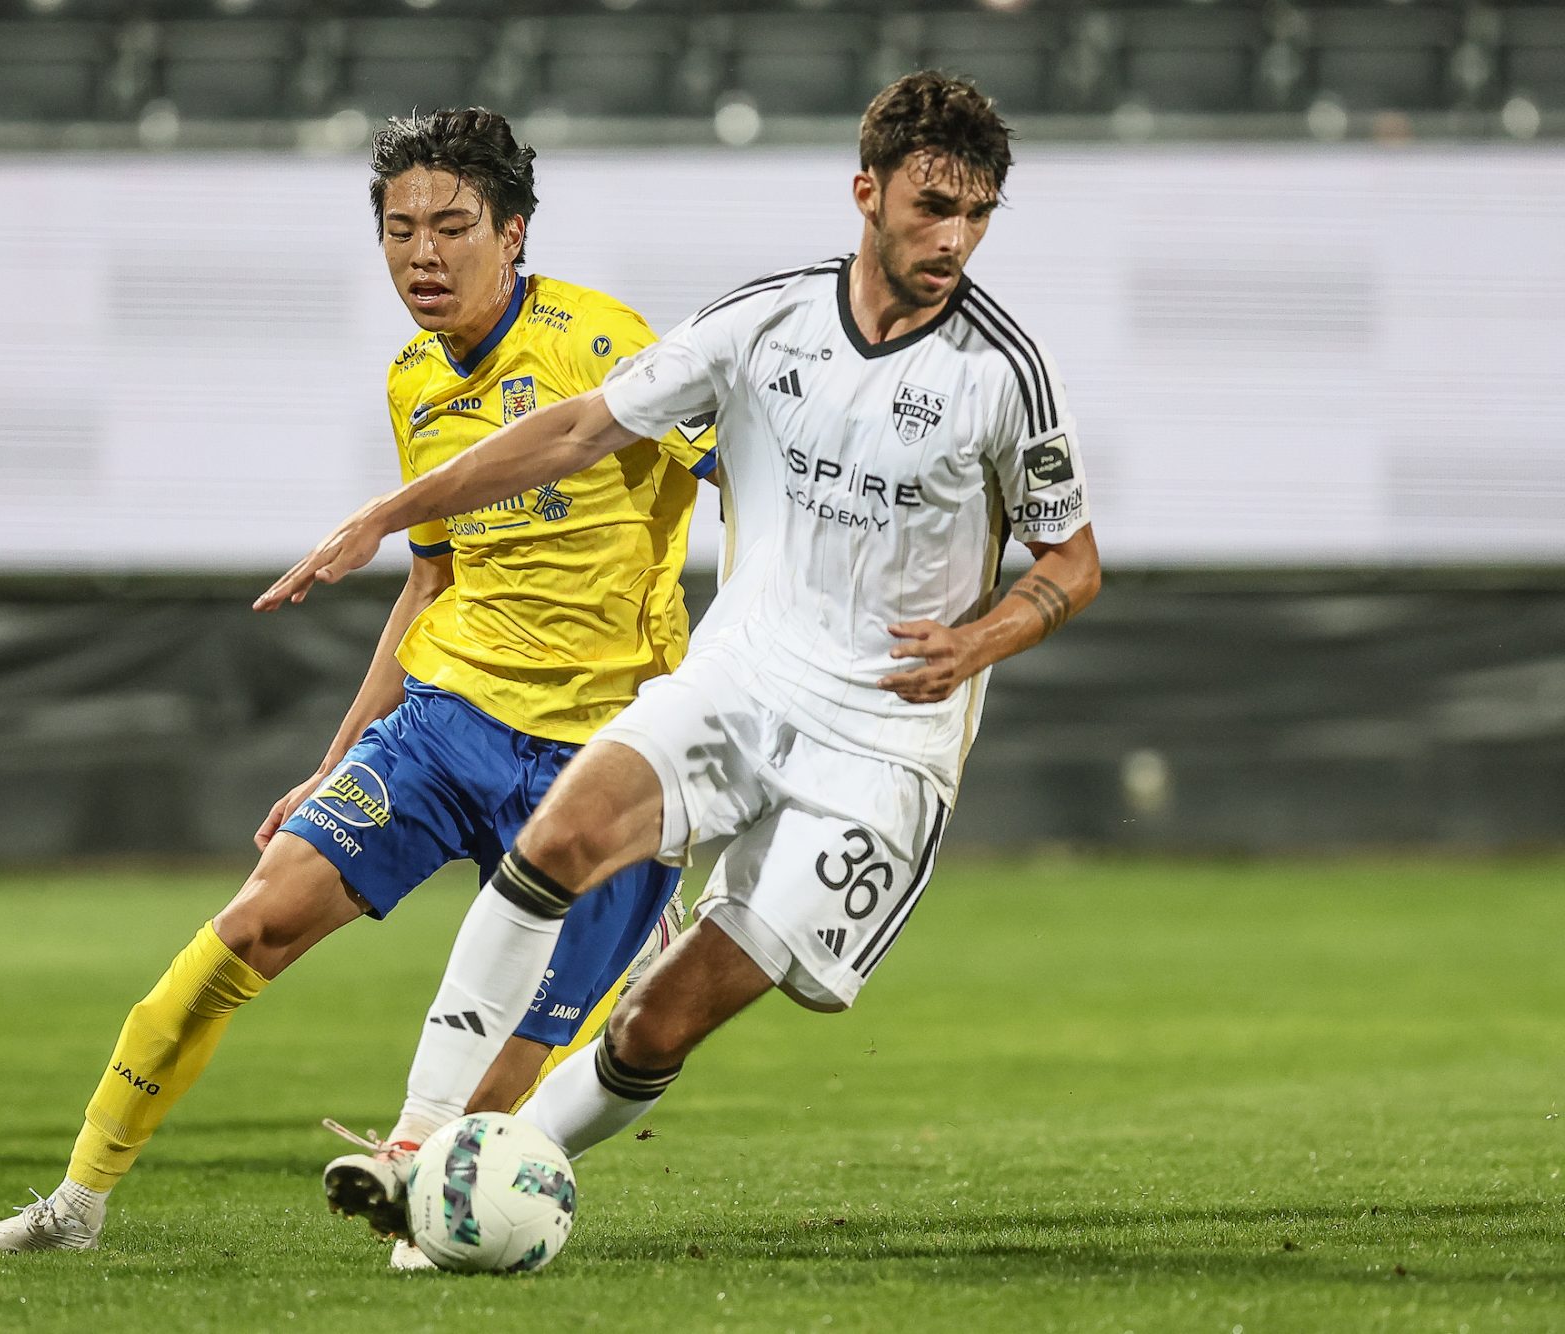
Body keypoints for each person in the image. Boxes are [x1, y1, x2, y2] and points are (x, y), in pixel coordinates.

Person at [258, 72, 1102, 1221]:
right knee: (557, 837)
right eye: (928, 208)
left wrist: (983, 638)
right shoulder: (764, 323)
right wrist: (384, 514)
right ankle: (423, 1148)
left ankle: (492, 1163)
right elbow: (573, 426)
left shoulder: (1001, 373)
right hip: (738, 679)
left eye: (975, 214)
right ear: (865, 192)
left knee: (658, 1019)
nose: (952, 237)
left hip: (881, 742)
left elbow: (1070, 562)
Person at [0, 107, 714, 1258]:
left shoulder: (601, 345)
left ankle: (431, 1200)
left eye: (452, 226)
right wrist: (335, 757)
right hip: (448, 724)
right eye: (399, 229)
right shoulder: (413, 379)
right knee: (247, 925)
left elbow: (747, 466)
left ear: (513, 232)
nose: (423, 254)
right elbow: (431, 582)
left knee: (499, 1071)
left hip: (605, 761)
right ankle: (75, 1202)